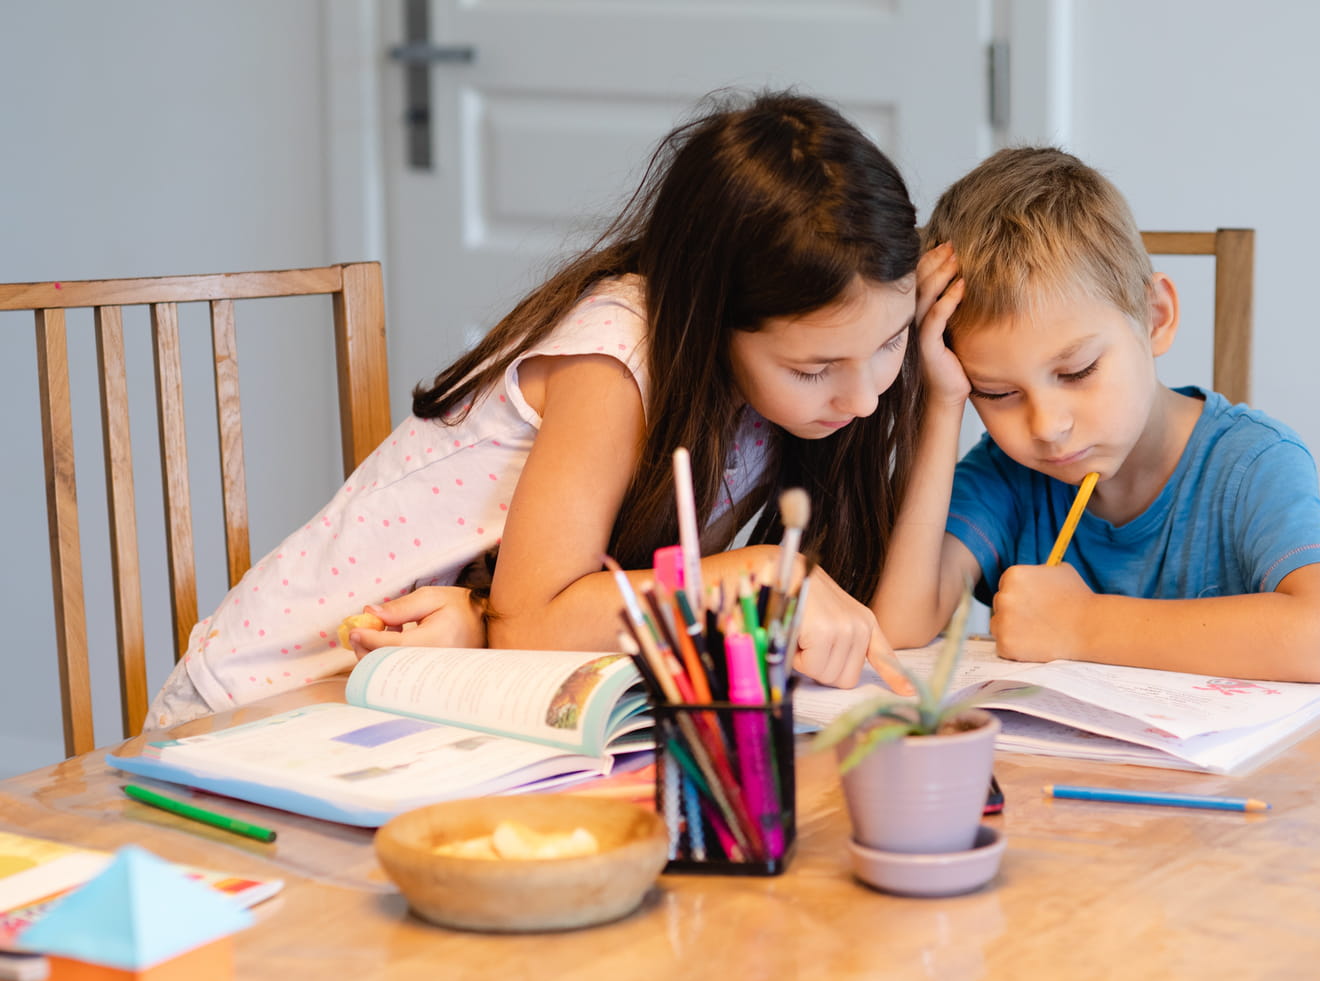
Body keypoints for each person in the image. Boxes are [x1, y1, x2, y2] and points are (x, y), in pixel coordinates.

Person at [147, 90, 923, 729]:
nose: (861, 397)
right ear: (710, 315)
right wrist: (751, 574)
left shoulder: (786, 394)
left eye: (891, 342)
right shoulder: (617, 360)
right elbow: (535, 624)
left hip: (429, 690)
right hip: (274, 695)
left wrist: (943, 392)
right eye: (814, 368)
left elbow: (891, 627)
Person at [873, 146, 1320, 682]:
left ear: (1156, 318)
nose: (1047, 426)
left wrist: (1083, 625)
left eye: (1078, 371)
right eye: (996, 393)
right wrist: (942, 402)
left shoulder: (1252, 462)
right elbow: (901, 625)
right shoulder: (1005, 473)